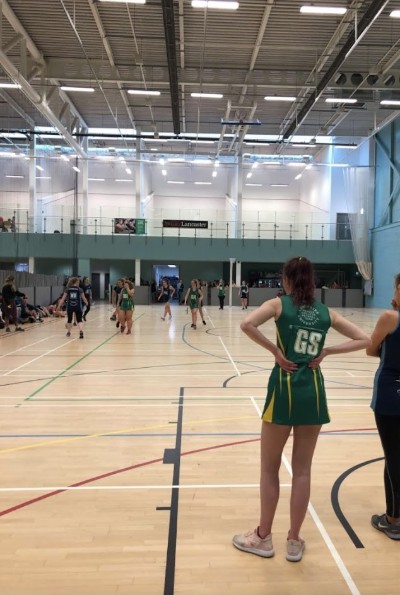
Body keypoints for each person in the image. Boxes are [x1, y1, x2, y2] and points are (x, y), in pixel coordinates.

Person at [232, 257, 369, 562]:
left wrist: (276, 351)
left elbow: (246, 324)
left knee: (269, 469)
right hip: (314, 393)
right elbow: (365, 339)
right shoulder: (325, 313)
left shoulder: (279, 305)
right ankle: (294, 540)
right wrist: (329, 350)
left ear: (287, 280)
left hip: (284, 389)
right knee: (303, 471)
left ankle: (263, 538)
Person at [367, 275, 400, 540]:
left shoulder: (390, 318)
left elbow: (371, 348)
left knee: (393, 458)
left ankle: (394, 520)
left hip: (391, 395)